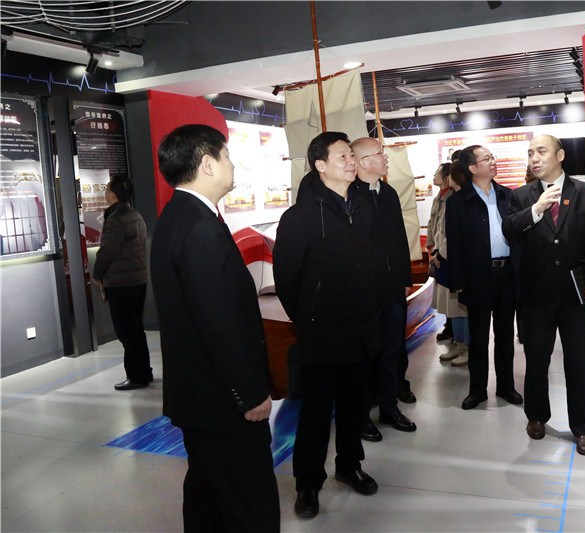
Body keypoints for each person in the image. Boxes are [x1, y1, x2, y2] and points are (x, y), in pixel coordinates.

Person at [150, 124, 280, 532]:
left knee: (207, 495)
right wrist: (250, 394)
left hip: (199, 396)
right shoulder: (200, 228)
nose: (232, 164)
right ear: (208, 164)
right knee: (250, 505)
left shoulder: (179, 216)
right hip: (223, 402)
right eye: (227, 156)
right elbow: (220, 324)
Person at [273, 131, 382, 519]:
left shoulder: (364, 206)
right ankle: (307, 482)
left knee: (355, 406)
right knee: (316, 412)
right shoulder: (300, 216)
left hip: (362, 328)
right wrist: (310, 317)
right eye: (342, 157)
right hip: (321, 332)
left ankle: (349, 465)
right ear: (320, 165)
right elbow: (286, 279)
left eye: (352, 155)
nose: (351, 162)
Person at [502, 134, 585, 456]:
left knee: (579, 362)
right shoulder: (521, 196)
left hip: (575, 293)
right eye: (530, 153)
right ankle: (536, 416)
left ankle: (584, 427)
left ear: (560, 155)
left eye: (541, 151)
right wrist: (536, 210)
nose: (534, 158)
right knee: (537, 359)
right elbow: (509, 230)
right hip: (535, 295)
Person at [446, 145, 521, 410]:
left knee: (505, 335)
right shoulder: (458, 202)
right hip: (477, 276)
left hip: (507, 274)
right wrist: (458, 282)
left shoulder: (508, 195)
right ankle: (477, 390)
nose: (493, 161)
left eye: (493, 157)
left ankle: (506, 386)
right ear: (472, 168)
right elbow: (454, 244)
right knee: (478, 337)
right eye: (486, 159)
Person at [351, 136, 416, 441]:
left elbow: (399, 240)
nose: (386, 158)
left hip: (391, 289)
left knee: (391, 350)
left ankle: (389, 407)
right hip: (364, 292)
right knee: (364, 355)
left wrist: (404, 280)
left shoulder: (388, 193)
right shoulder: (349, 195)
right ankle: (362, 414)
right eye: (379, 153)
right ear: (363, 162)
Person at [92, 176, 152, 391]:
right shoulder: (135, 214)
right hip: (137, 280)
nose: (105, 193)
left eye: (107, 190)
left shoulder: (116, 219)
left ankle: (136, 376)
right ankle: (144, 371)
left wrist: (97, 273)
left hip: (121, 283)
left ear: (114, 195)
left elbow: (107, 252)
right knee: (136, 329)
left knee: (127, 332)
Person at [430, 162, 470, 366]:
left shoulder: (459, 199)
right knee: (453, 307)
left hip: (453, 258)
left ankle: (467, 346)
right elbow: (437, 228)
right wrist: (434, 250)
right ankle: (459, 343)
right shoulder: (445, 198)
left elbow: (453, 233)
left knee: (461, 306)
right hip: (443, 256)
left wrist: (441, 254)